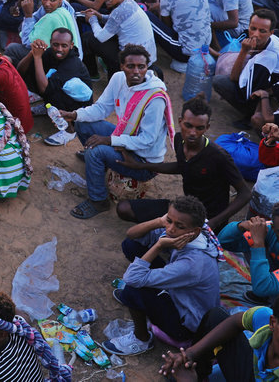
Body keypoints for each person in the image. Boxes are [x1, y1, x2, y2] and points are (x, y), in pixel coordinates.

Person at [101, 196, 223, 357]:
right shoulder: (183, 232)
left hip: (185, 325)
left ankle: (141, 339)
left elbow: (132, 278)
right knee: (132, 245)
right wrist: (159, 221)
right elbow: (131, 235)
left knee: (133, 289)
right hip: (178, 292)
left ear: (195, 231)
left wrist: (159, 245)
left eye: (178, 226)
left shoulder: (193, 263)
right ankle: (146, 305)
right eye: (169, 220)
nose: (170, 229)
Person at [60, 44, 172, 218]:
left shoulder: (154, 98)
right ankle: (101, 163)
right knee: (82, 124)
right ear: (122, 66)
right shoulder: (118, 79)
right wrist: (74, 114)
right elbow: (101, 108)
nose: (136, 71)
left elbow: (147, 141)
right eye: (130, 66)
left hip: (142, 161)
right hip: (125, 138)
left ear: (146, 68)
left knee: (95, 152)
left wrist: (109, 141)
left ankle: (99, 201)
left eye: (141, 67)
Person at [115, 97, 251, 231]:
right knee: (124, 209)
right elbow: (182, 166)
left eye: (199, 128)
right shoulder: (179, 139)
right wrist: (141, 166)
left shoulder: (219, 156)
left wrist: (214, 222)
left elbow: (245, 193)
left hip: (206, 220)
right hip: (183, 210)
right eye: (188, 125)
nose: (193, 133)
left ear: (207, 128)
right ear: (180, 122)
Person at [158, 288, 279, 382]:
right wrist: (190, 354)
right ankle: (197, 370)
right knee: (217, 316)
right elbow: (235, 321)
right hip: (250, 373)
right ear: (273, 323)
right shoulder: (264, 316)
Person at [212, 10, 279, 121]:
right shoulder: (275, 40)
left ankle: (248, 114)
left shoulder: (267, 57)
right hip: (270, 81)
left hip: (272, 93)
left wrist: (244, 51)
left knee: (220, 81)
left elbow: (235, 79)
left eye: (262, 31)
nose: (256, 34)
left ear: (271, 33)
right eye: (253, 29)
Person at [81, 0, 158, 77]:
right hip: (146, 55)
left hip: (134, 59)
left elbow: (101, 37)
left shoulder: (120, 11)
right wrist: (99, 16)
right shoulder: (128, 2)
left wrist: (92, 19)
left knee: (87, 38)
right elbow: (115, 20)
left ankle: (92, 74)